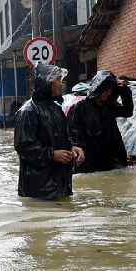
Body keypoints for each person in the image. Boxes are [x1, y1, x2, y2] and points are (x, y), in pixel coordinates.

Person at [14, 62, 84, 199]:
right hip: (39, 189)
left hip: (60, 184)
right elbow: (23, 147)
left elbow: (63, 138)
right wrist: (51, 154)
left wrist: (73, 148)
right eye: (58, 80)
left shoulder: (56, 109)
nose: (61, 84)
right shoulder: (28, 111)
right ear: (46, 82)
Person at [67, 70, 133, 173]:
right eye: (105, 90)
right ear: (98, 89)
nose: (108, 93)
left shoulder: (108, 106)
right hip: (89, 159)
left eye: (110, 90)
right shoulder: (79, 107)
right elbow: (72, 132)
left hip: (110, 157)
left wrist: (124, 90)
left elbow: (127, 112)